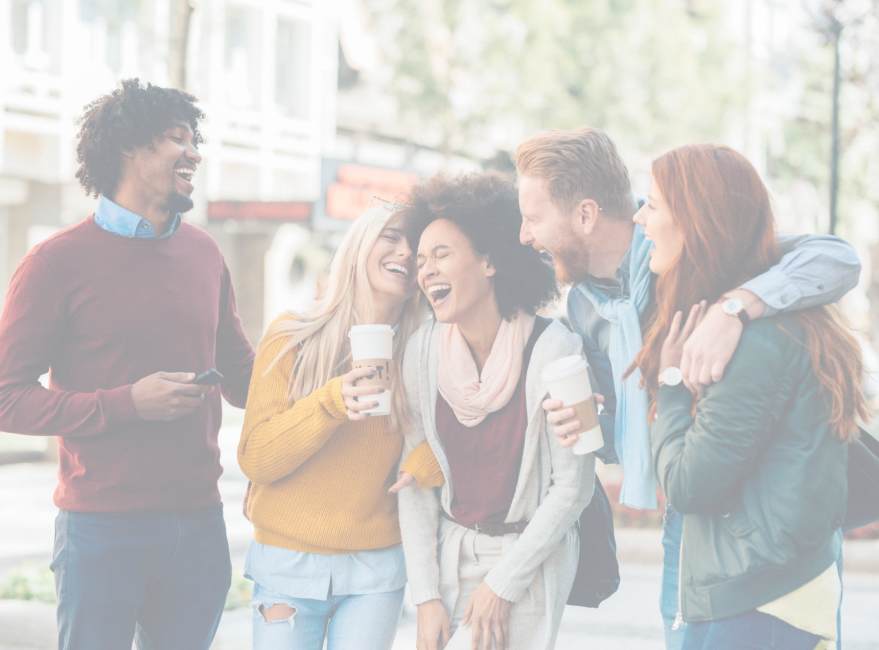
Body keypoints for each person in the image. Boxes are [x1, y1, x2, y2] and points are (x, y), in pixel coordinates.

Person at [514, 128, 861, 648]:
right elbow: (643, 426)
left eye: (533, 217)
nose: (525, 235)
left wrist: (736, 306)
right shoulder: (586, 308)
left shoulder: (700, 254)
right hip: (690, 519)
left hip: (761, 536)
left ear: (585, 215)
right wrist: (593, 426)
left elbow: (836, 258)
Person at [0, 79, 254, 650]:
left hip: (199, 527)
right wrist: (126, 403)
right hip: (101, 531)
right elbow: (6, 396)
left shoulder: (204, 253)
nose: (193, 152)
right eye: (174, 138)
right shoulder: (54, 263)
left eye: (195, 140)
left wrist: (320, 365)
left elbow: (243, 376)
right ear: (126, 150)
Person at [634, 143, 867, 650]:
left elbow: (689, 485)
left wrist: (672, 388)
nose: (640, 219)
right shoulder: (751, 319)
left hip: (756, 602)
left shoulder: (753, 339)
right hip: (761, 593)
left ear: (696, 221)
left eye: (651, 205)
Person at [397, 173, 595, 650]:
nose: (426, 271)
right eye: (421, 261)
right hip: (452, 554)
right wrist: (425, 598)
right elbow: (415, 483)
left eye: (442, 254)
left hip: (529, 561)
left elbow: (574, 486)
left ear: (488, 261)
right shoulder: (421, 352)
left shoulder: (556, 349)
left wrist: (501, 587)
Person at [237, 204, 425, 650]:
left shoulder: (424, 350)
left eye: (418, 245)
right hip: (286, 566)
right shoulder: (292, 337)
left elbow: (441, 441)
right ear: (360, 243)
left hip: (375, 570)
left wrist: (425, 461)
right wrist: (332, 402)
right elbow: (257, 457)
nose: (406, 251)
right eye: (393, 236)